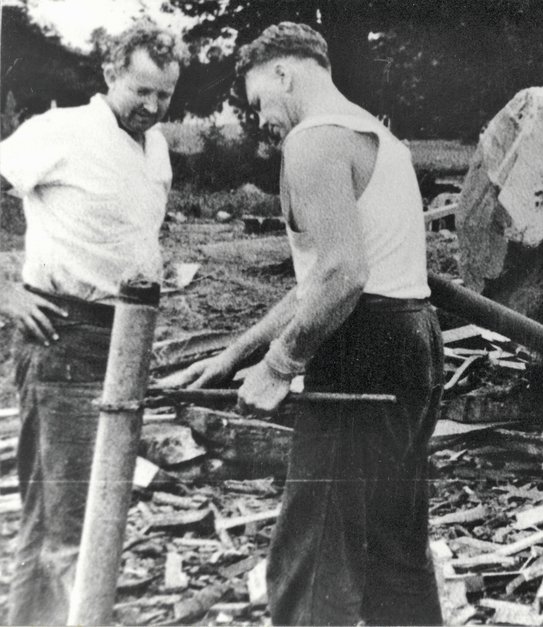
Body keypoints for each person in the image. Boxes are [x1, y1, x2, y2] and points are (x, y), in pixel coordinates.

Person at [161, 22, 444, 626]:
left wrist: (280, 364)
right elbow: (318, 281)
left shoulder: (313, 142)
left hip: (359, 348)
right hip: (412, 337)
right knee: (394, 552)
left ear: (284, 72)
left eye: (260, 99)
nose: (262, 117)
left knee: (314, 559)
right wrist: (236, 354)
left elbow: (342, 274)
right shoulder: (377, 136)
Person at [0, 23, 186, 625]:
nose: (153, 108)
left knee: (60, 516)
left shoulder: (151, 145)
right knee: (75, 526)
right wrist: (4, 292)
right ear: (109, 74)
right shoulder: (59, 132)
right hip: (63, 339)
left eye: (165, 96)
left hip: (126, 340)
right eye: (141, 91)